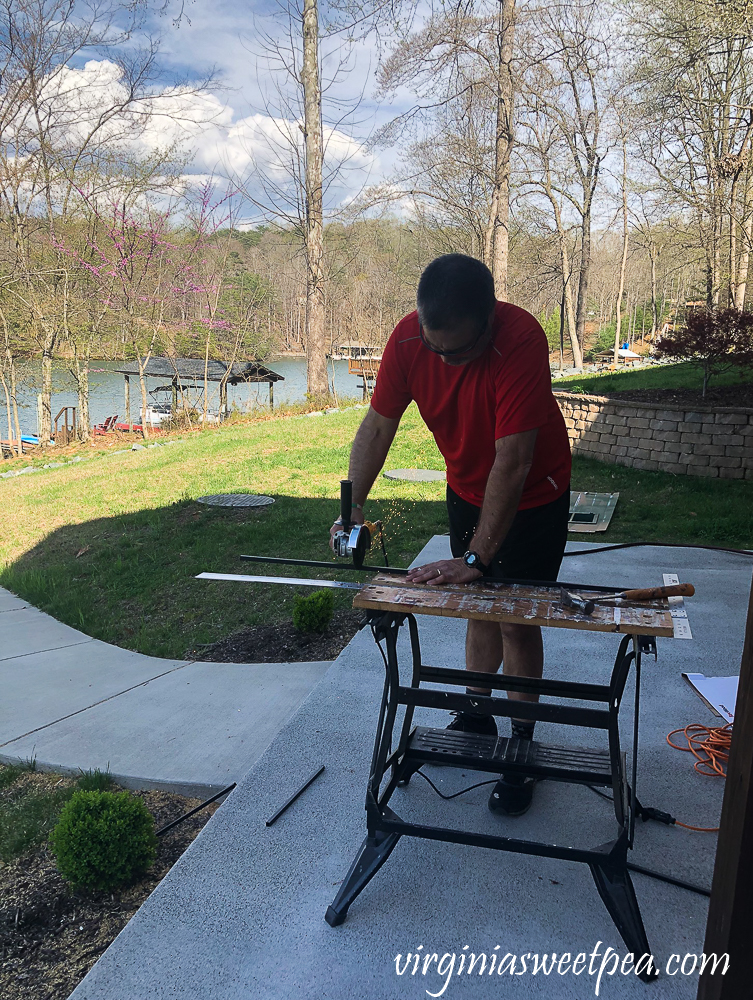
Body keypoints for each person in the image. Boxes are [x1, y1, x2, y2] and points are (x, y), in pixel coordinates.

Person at [329, 254, 572, 815]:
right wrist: (354, 508)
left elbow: (513, 461)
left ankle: (521, 746)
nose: (446, 360)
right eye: (436, 347)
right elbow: (379, 424)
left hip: (534, 495)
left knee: (516, 618)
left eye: (458, 350)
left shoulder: (522, 339)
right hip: (466, 487)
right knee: (476, 607)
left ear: (488, 321)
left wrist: (479, 557)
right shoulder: (409, 340)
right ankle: (477, 710)